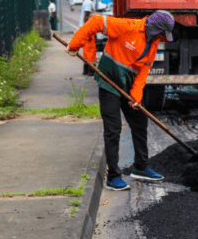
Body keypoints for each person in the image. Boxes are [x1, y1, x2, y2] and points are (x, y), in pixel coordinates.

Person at [66, 10, 175, 191]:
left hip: (129, 84)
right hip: (110, 82)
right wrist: (74, 45)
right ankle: (113, 177)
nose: (164, 38)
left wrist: (136, 97)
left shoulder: (153, 42)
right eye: (163, 34)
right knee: (113, 128)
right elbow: (95, 22)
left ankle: (141, 167)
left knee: (140, 122)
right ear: (155, 29)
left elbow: (143, 73)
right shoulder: (126, 27)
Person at [80, 0, 97, 76]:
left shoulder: (87, 2)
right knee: (90, 50)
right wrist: (89, 32)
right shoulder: (88, 3)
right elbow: (86, 16)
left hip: (87, 29)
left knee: (86, 51)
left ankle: (86, 70)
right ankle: (91, 71)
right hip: (88, 30)